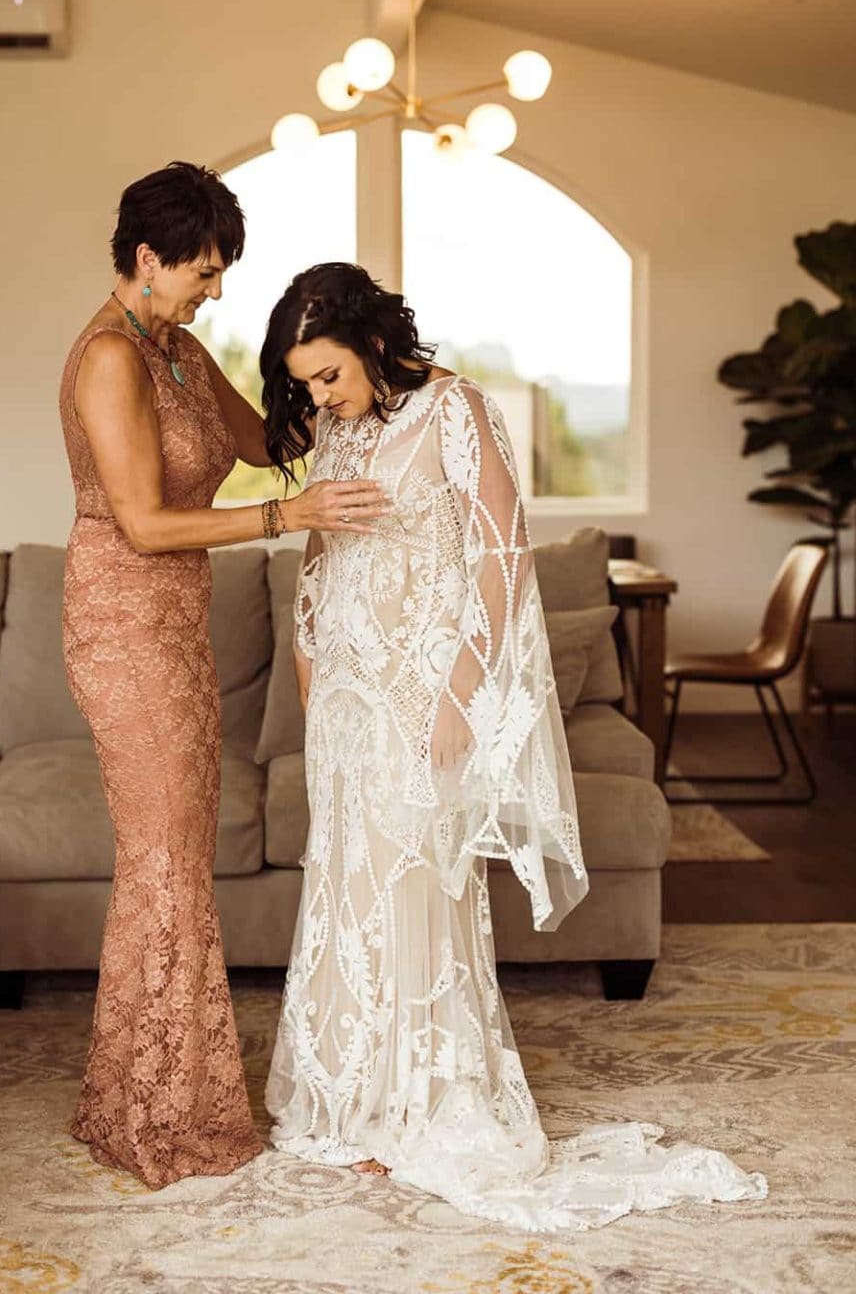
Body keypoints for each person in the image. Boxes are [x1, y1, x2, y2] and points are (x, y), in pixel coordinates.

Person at [260, 261, 767, 1230]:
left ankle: (418, 1105)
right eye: (306, 383)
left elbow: (499, 561)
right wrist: (305, 651)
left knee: (417, 884)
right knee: (347, 883)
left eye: (327, 375)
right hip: (348, 692)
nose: (318, 397)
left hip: (422, 687)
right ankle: (344, 1099)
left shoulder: (459, 412)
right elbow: (322, 553)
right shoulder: (337, 428)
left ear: (370, 343)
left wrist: (463, 692)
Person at [59, 167, 385, 1189]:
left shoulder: (179, 349)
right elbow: (145, 523)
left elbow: (271, 441)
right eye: (203, 272)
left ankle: (147, 1092)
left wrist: (359, 368)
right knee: (161, 859)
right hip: (120, 623)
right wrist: (290, 520)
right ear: (148, 260)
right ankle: (157, 1115)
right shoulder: (109, 358)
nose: (214, 290)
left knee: (178, 858)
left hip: (178, 627)